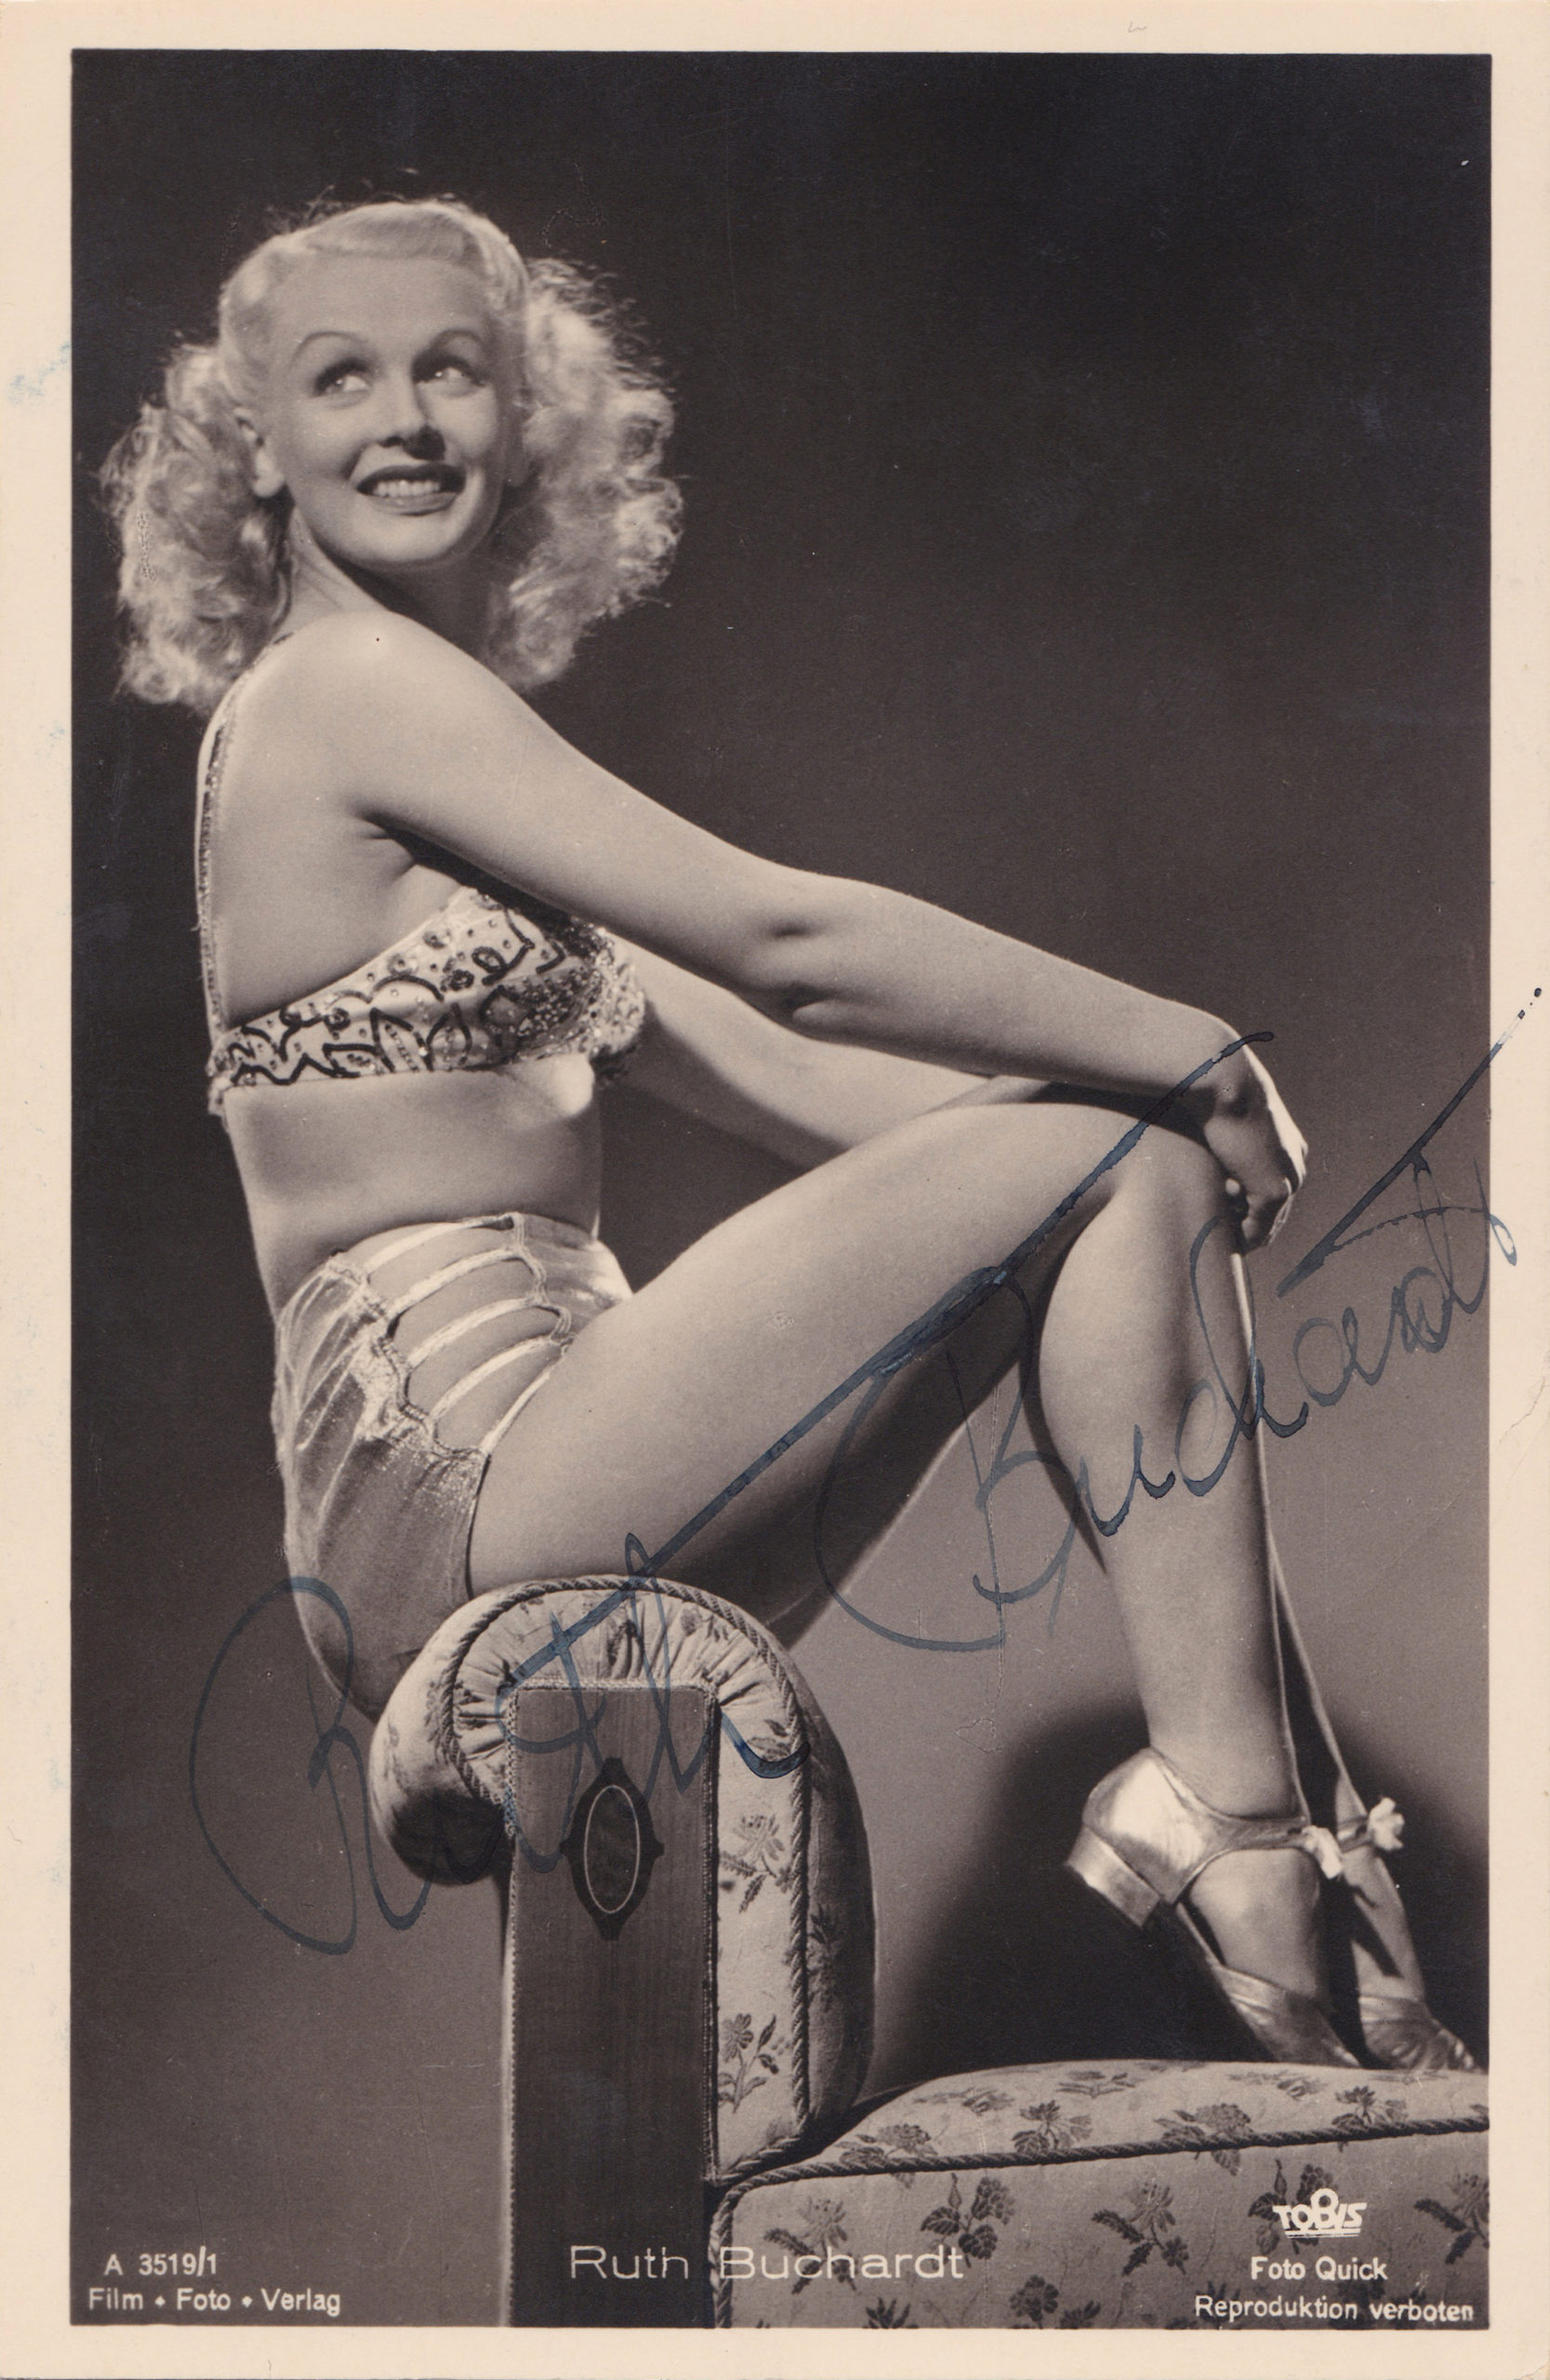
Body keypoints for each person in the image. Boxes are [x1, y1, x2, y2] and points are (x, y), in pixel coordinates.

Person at [102, 195, 1474, 2072]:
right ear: (254, 444)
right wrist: (1198, 1054)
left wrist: (1154, 1163)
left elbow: (809, 1082)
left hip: (542, 1465)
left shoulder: (440, 761)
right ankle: (1244, 1840)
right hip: (457, 1477)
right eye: (344, 380)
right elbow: (791, 949)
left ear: (527, 420)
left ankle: (1279, 1836)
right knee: (1125, 1135)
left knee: (1116, 1161)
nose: (407, 418)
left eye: (454, 371)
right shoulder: (347, 688)